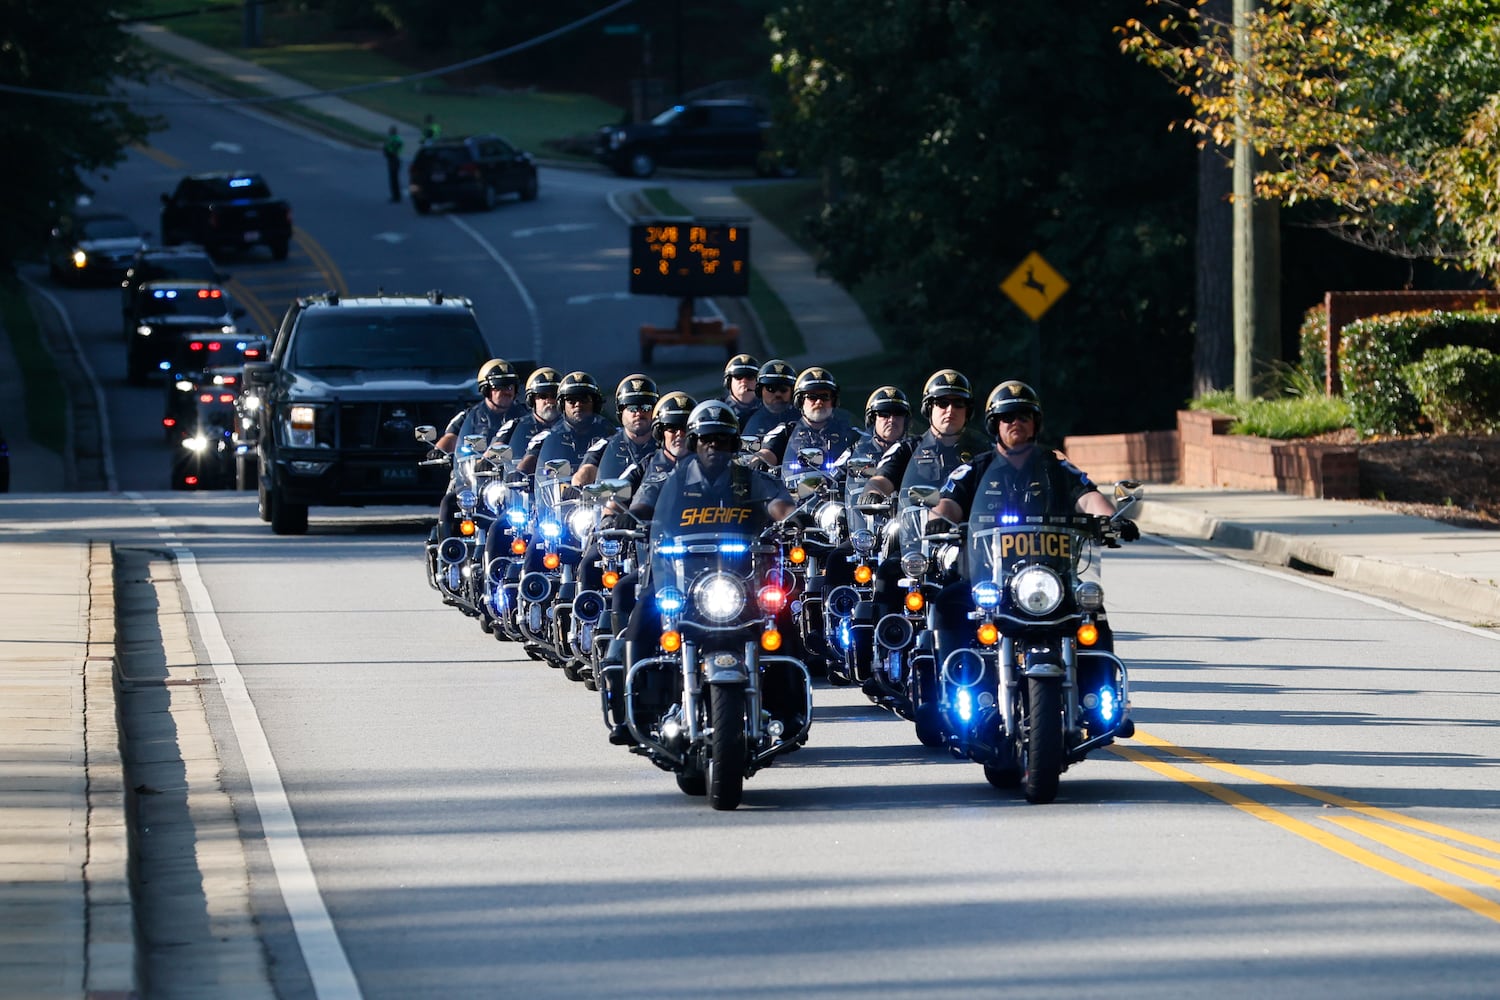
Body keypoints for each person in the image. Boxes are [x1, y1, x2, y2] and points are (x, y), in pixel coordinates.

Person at [600, 400, 795, 743]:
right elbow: (644, 505)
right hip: (678, 576)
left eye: (722, 441)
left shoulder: (749, 479)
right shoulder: (669, 479)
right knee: (642, 620)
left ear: (734, 444)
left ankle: (788, 710)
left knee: (782, 624)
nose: (714, 448)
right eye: (707, 440)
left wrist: (791, 516)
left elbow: (777, 503)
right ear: (694, 443)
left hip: (739, 580)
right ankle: (632, 717)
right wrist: (628, 516)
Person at [926, 380, 1137, 661]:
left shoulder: (1057, 468)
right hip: (986, 578)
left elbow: (1088, 497)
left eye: (1024, 416)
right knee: (947, 603)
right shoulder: (975, 469)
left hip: (1051, 577)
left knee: (1091, 609)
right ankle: (950, 685)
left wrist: (1113, 520)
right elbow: (947, 503)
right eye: (1008, 417)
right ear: (995, 424)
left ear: (1035, 423)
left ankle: (1097, 693)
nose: (1016, 422)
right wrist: (939, 518)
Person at [428, 359, 522, 543]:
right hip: (473, 480)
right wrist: (439, 450)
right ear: (486, 389)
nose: (506, 391)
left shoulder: (524, 416)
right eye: (499, 387)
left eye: (510, 386)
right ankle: (447, 551)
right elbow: (450, 437)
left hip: (510, 482)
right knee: (449, 502)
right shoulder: (469, 416)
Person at [753, 366, 861, 471]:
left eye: (825, 396)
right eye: (812, 397)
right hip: (789, 489)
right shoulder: (785, 432)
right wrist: (759, 460)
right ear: (800, 401)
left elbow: (868, 448)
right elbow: (766, 453)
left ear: (833, 401)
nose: (819, 402)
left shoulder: (849, 434)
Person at [519, 370, 615, 476]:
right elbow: (530, 460)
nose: (578, 404)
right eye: (571, 400)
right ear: (561, 405)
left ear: (595, 404)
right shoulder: (549, 436)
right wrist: (520, 473)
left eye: (584, 399)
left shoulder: (609, 433)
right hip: (556, 491)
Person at [574, 374, 659, 487]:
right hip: (613, 503)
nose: (638, 413)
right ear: (620, 412)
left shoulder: (664, 447)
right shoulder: (607, 446)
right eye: (631, 408)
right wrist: (578, 485)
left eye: (645, 407)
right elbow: (587, 470)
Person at [740, 359, 797, 439]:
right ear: (760, 391)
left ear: (792, 392)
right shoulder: (747, 420)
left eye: (783, 389)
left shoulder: (802, 419)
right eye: (771, 389)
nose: (778, 394)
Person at [721, 353, 762, 429]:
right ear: (729, 382)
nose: (744, 381)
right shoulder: (720, 410)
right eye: (738, 376)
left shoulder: (769, 409)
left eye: (750, 376)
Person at [383, 126, 404, 203]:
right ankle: (396, 195)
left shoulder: (393, 140)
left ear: (392, 132)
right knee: (394, 179)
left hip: (393, 160)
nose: (389, 132)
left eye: (390, 131)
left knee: (394, 179)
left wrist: (387, 149)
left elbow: (391, 150)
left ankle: (396, 196)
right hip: (394, 159)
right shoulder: (395, 139)